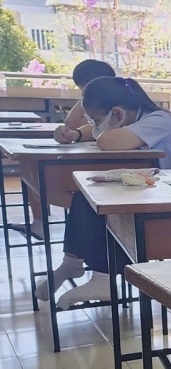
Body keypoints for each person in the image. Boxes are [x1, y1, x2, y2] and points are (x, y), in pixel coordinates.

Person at [41, 77, 171, 307]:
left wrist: (95, 131)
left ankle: (103, 277)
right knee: (85, 194)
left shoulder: (159, 120)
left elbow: (109, 141)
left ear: (118, 113)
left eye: (97, 120)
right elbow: (102, 134)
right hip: (167, 188)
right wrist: (76, 135)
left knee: (109, 201)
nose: (95, 126)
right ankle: (73, 263)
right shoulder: (140, 118)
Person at [14, 60, 116, 241]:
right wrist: (75, 133)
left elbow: (75, 122)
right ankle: (41, 224)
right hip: (96, 156)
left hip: (111, 164)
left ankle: (107, 214)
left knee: (42, 182)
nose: (82, 95)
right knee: (33, 172)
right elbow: (78, 125)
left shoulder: (118, 104)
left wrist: (86, 102)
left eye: (84, 90)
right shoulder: (99, 103)